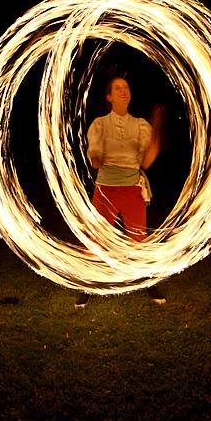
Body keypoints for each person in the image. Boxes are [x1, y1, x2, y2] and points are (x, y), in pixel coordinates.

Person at [75, 75, 166, 308]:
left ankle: (147, 282)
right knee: (96, 240)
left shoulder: (140, 126)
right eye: (117, 88)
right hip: (106, 189)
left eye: (126, 87)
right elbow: (94, 160)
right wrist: (99, 155)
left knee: (138, 241)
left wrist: (156, 125)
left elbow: (147, 161)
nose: (123, 91)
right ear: (109, 97)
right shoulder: (99, 124)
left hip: (132, 190)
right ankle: (87, 286)